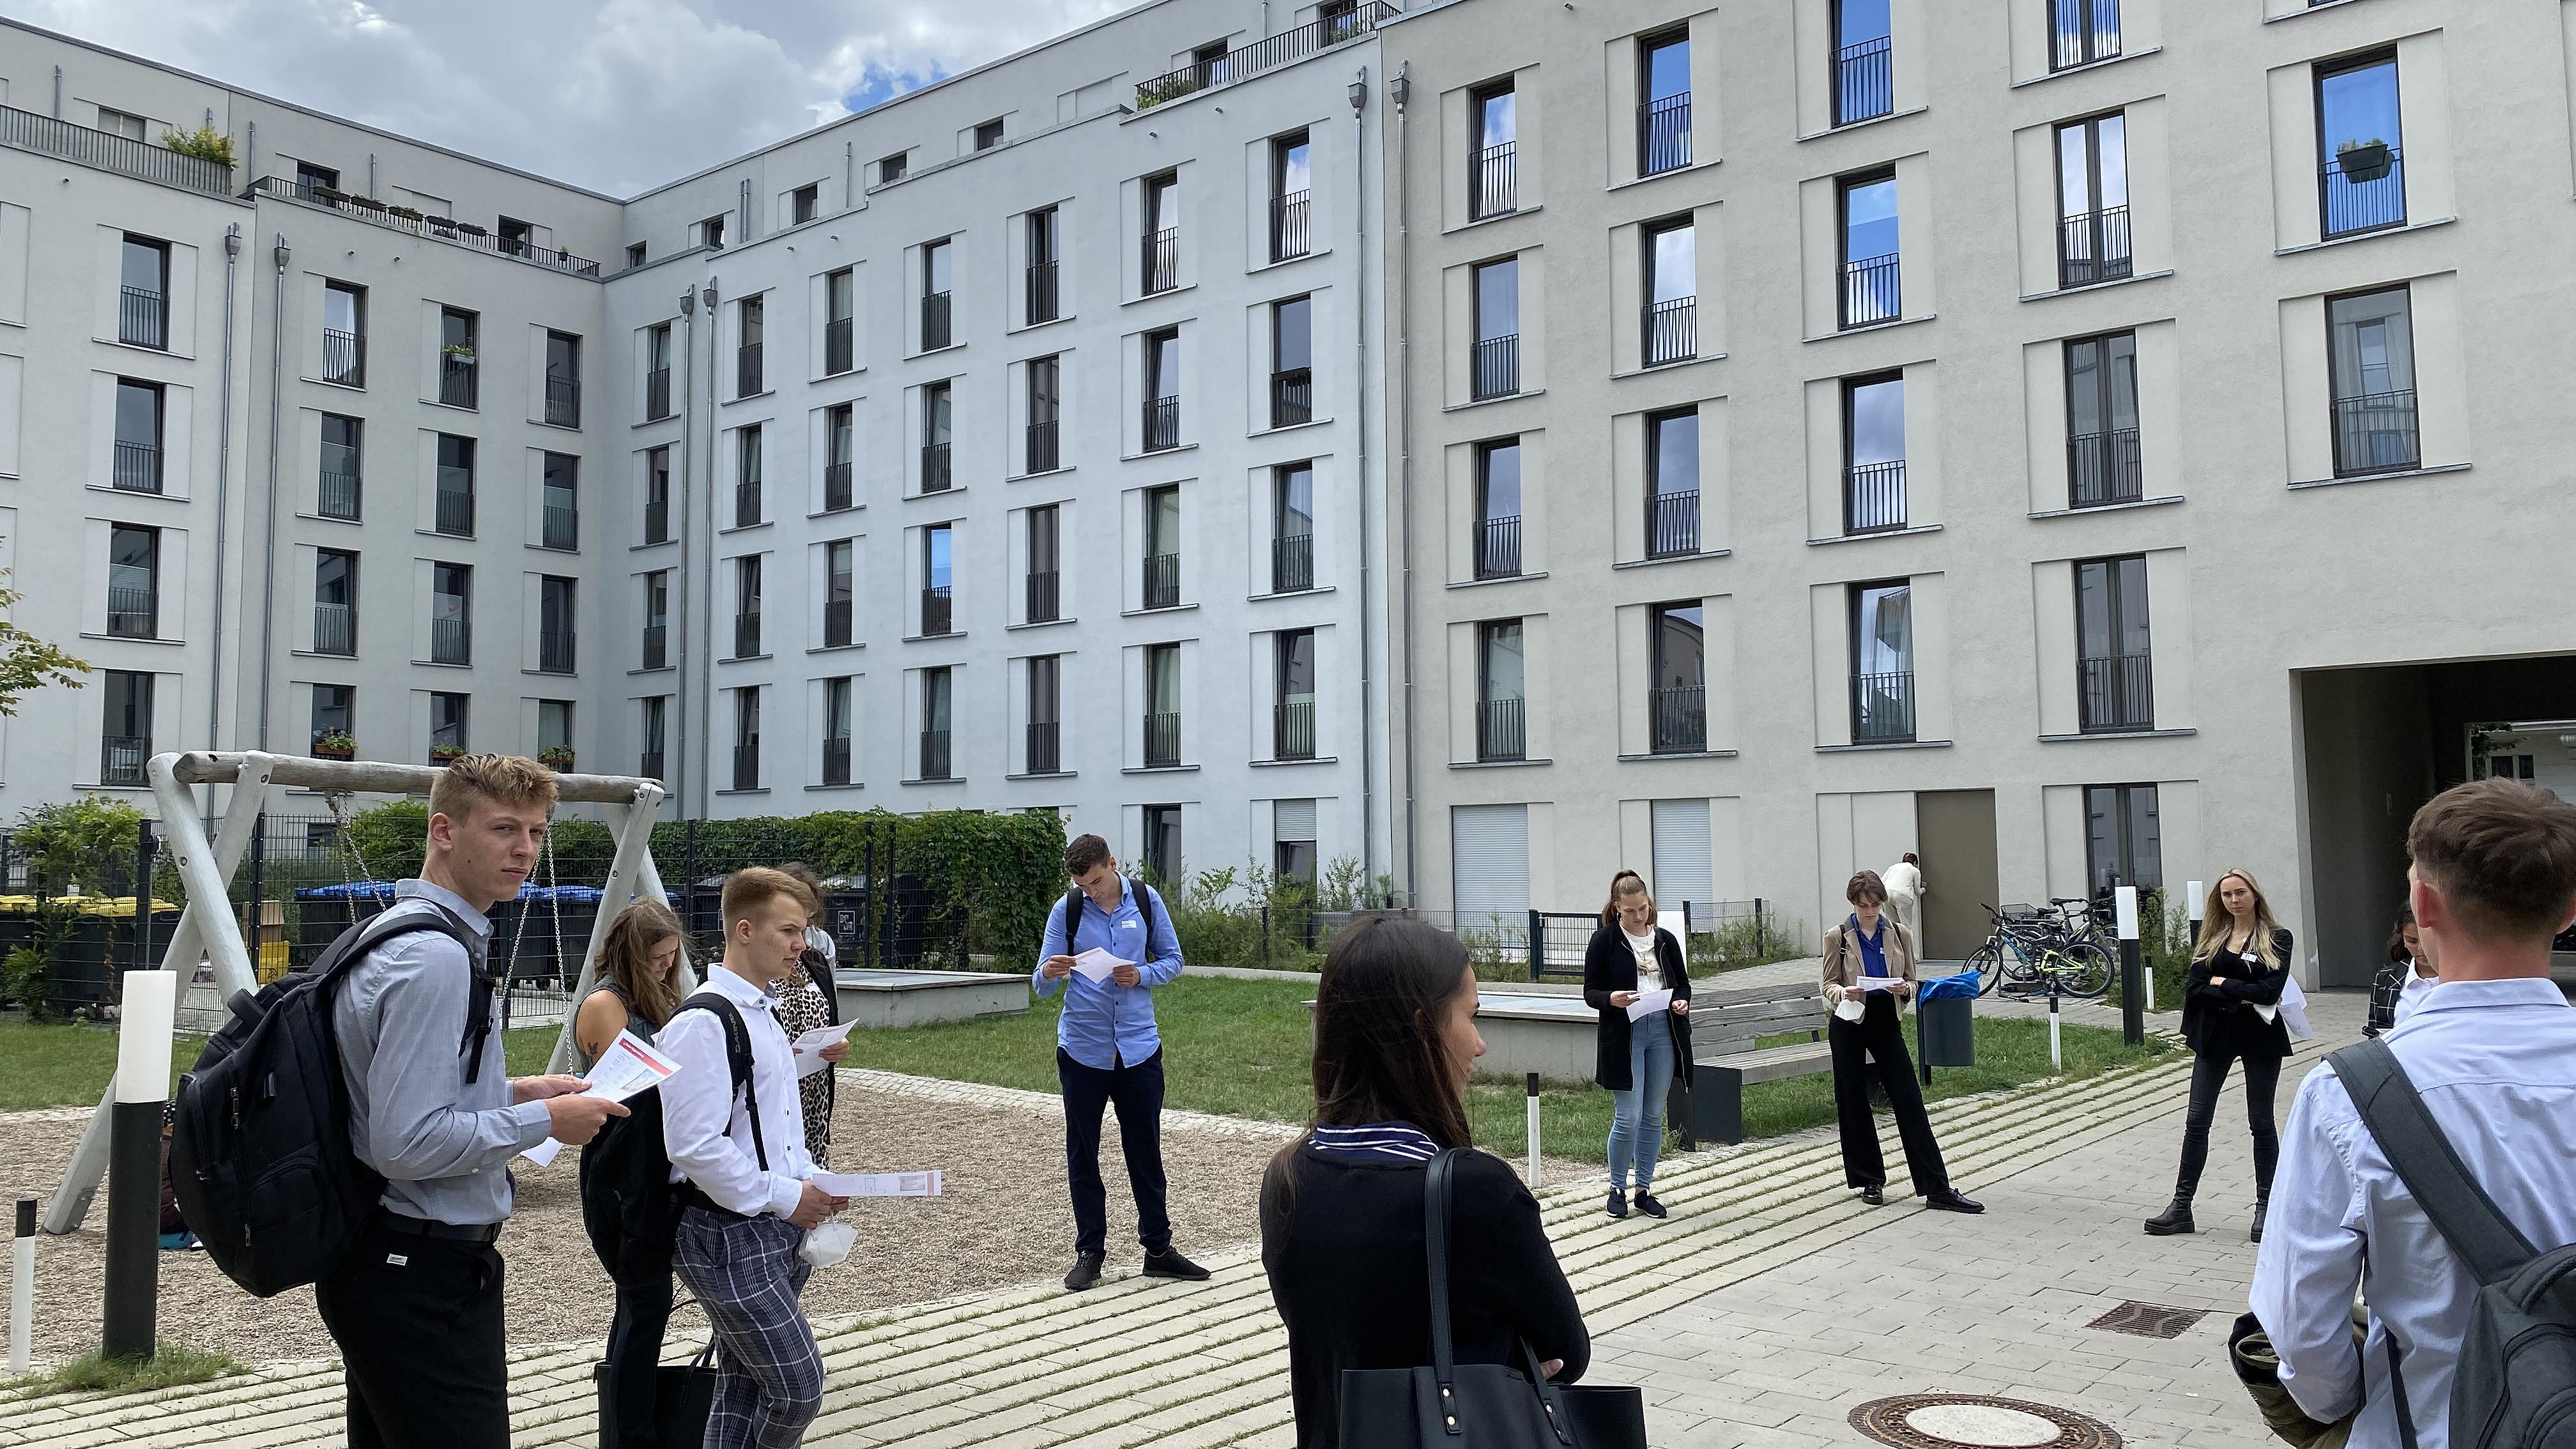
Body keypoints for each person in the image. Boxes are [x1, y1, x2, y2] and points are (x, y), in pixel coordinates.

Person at [2251, 779, 2576, 1449]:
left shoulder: (2350, 1094)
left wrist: (2346, 1407)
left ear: (2423, 904)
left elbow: (2300, 1326)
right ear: (2570, 912)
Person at [316, 753, 627, 1449]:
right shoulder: (433, 958)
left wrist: (512, 1092)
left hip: (388, 1261)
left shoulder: (397, 931)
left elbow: (388, 1093)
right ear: (444, 831)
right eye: (504, 828)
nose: (526, 850)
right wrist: (545, 1120)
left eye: (538, 832)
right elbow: (406, 1143)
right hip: (417, 1272)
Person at [1261, 917, 1590, 1449]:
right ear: (1423, 1029)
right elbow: (1566, 1352)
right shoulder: (1475, 1192)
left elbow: (1326, 1334)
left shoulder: (1288, 1178)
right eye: (1471, 1017)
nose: (1480, 1045)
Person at [661, 867, 850, 1449]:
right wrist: (790, 1197)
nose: (802, 945)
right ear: (744, 931)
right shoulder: (703, 1023)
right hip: (724, 1233)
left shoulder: (761, 1012)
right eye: (789, 931)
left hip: (771, 1224)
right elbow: (693, 1145)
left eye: (804, 931)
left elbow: (777, 1128)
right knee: (798, 1388)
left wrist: (815, 1181)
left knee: (743, 1386)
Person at [1035, 833, 1208, 1291]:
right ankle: (1090, 1253)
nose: (1090, 892)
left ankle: (1159, 1250)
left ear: (1112, 864)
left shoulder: (1146, 901)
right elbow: (1041, 983)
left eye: (1095, 882)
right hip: (1082, 1050)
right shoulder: (1067, 910)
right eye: (1082, 885)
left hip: (1138, 1049)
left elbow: (1174, 961)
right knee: (1083, 1153)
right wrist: (1049, 972)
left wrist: (1142, 974)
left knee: (1145, 1151)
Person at [573, 898, 689, 1449]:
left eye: (672, 958)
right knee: (644, 1305)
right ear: (632, 955)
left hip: (650, 1164)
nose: (667, 967)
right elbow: (621, 1089)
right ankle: (631, 1434)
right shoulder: (605, 1003)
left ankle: (626, 1432)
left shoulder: (656, 997)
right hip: (620, 1169)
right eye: (658, 958)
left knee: (640, 1305)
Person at [1821, 871, 1982, 1213]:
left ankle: (1937, 1188)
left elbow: (1912, 980)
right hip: (1850, 1020)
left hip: (1885, 1018)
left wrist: (1904, 988)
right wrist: (1844, 992)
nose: (1870, 911)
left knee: (1908, 1099)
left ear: (1883, 902)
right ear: (1853, 903)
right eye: (1863, 906)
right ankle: (1869, 1179)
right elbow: (1828, 984)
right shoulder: (1837, 936)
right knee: (1852, 1100)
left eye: (1875, 905)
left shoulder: (1899, 933)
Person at [2145, 868, 2293, 1241]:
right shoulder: (2213, 938)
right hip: (2214, 1036)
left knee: (2261, 1121)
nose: (2234, 900)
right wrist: (2240, 993)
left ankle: (2267, 1208)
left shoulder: (2277, 938)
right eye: (2227, 895)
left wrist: (2223, 982)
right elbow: (2195, 990)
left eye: (2240, 892)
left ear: (2255, 895)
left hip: (2260, 1036)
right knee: (2197, 1120)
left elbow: (2269, 991)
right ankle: (2181, 1206)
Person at [1581, 870, 1691, 1220]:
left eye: (1643, 908)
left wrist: (1681, 1002)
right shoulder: (1604, 940)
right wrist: (1611, 999)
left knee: (1653, 1114)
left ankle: (1644, 1189)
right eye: (1630, 911)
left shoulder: (1665, 939)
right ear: (1617, 907)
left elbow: (1683, 985)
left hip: (1662, 1030)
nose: (1639, 916)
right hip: (1624, 1033)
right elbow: (1590, 992)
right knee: (1628, 1116)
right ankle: (1617, 1188)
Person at [772, 862, 850, 1165]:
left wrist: (839, 1045)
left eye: (806, 921)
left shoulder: (815, 962)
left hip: (814, 1096)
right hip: (773, 1099)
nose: (800, 940)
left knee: (813, 1171)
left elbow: (830, 1019)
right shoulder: (757, 970)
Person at [2363, 901, 2438, 1038]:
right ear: (2402, 937)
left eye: (2430, 942)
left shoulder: (2466, 978)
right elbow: (2375, 1036)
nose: (2422, 949)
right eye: (2412, 941)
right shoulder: (2386, 979)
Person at [1883, 852, 1925, 939]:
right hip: (1903, 895)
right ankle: (1908, 947)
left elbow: (1881, 881)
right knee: (1906, 927)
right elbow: (1917, 892)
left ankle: (1894, 946)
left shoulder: (1893, 867)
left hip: (1887, 893)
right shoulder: (1915, 870)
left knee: (1892, 925)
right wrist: (1922, 890)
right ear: (1915, 863)